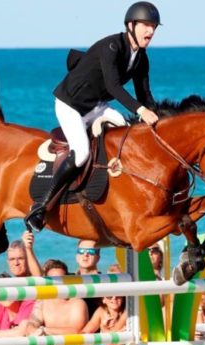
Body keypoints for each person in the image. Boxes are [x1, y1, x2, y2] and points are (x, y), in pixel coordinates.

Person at [25, 1, 161, 231]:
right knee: (81, 153)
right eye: (146, 25)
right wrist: (141, 111)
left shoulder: (141, 58)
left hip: (96, 106)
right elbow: (114, 86)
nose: (150, 31)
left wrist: (158, 119)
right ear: (130, 25)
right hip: (71, 105)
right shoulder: (111, 46)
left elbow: (144, 93)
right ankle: (41, 206)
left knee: (125, 133)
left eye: (154, 27)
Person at [0, 235, 41, 328]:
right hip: (8, 334)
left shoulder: (32, 284)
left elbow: (39, 279)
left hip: (27, 333)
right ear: (8, 261)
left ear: (28, 260)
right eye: (12, 259)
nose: (16, 263)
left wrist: (28, 248)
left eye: (21, 258)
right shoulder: (9, 290)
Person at [26, 260, 88, 336]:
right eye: (51, 280)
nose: (56, 284)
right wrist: (33, 329)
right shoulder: (44, 302)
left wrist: (44, 330)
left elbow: (76, 331)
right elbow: (32, 322)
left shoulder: (77, 303)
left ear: (67, 280)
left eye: (60, 280)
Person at [75, 239, 103, 319]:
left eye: (91, 251)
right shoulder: (67, 279)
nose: (85, 254)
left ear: (98, 257)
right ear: (76, 256)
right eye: (81, 251)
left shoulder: (105, 282)